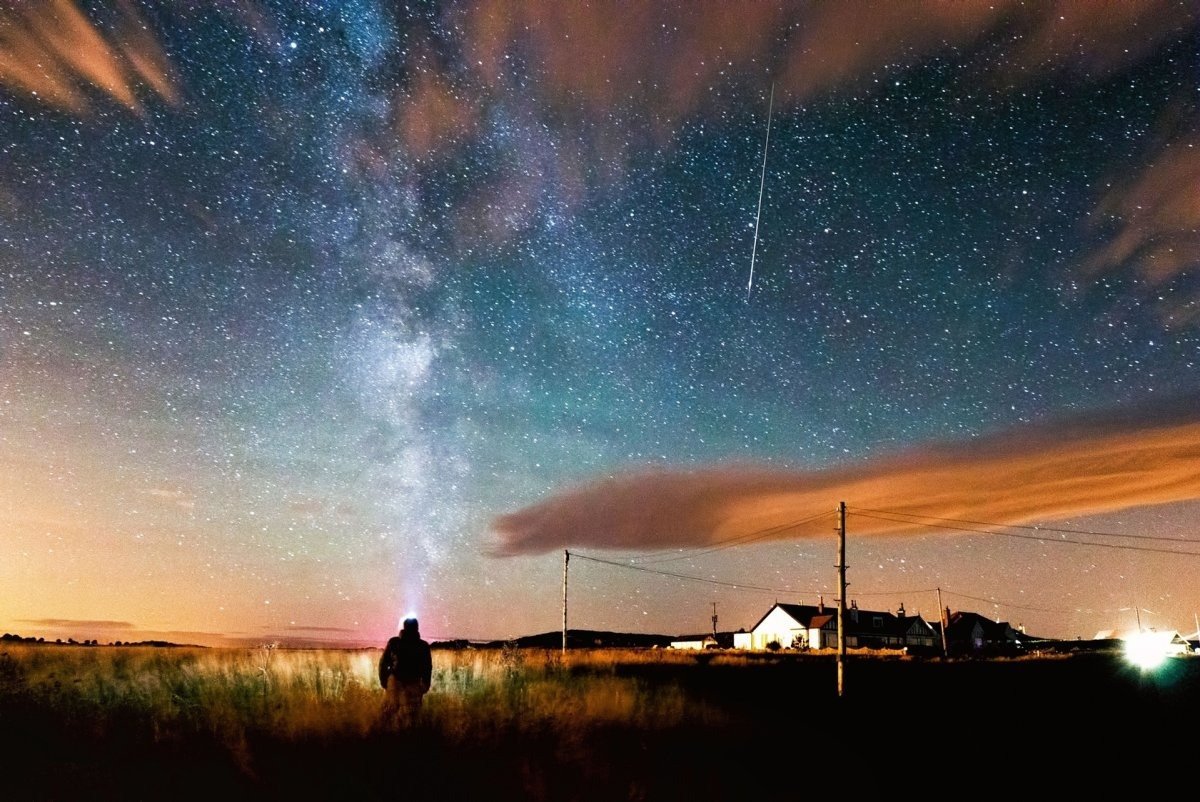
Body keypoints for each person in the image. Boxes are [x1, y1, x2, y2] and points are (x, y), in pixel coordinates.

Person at [379, 617, 432, 721]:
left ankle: (393, 732)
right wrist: (426, 684)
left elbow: (383, 663)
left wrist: (384, 680)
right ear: (417, 628)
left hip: (404, 682)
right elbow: (427, 667)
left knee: (397, 712)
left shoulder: (395, 642)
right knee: (407, 714)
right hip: (400, 682)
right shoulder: (422, 645)